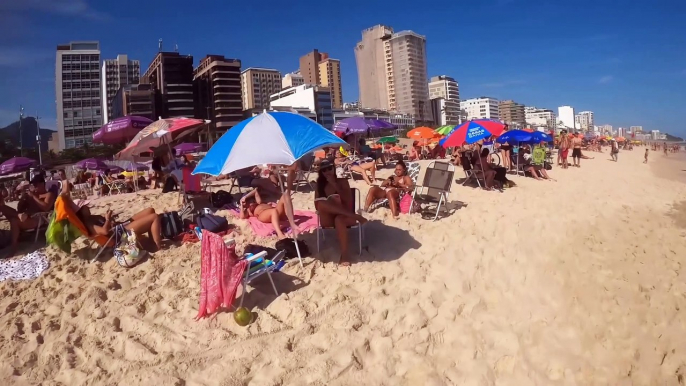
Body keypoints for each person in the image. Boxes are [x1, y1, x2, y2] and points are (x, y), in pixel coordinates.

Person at [314, 161, 368, 266]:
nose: (327, 172)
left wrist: (335, 184)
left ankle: (345, 255)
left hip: (345, 215)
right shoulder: (319, 185)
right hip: (328, 217)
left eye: (329, 168)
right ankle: (356, 216)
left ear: (333, 168)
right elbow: (316, 205)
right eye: (324, 170)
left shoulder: (342, 181)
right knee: (321, 203)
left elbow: (348, 202)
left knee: (339, 219)